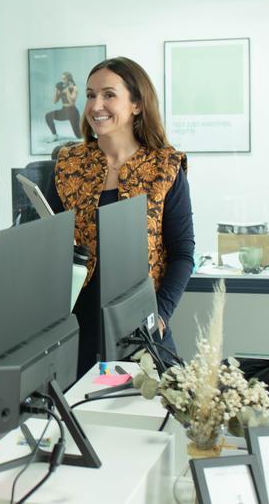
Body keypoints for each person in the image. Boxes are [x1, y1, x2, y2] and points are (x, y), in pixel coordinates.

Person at [43, 57, 194, 374]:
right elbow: (47, 240)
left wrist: (161, 315)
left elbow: (182, 253)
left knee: (145, 414)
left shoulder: (165, 167)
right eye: (90, 95)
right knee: (78, 416)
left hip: (140, 324)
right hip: (77, 323)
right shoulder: (68, 163)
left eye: (109, 94)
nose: (96, 105)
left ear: (137, 104)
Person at [45, 71, 83, 139]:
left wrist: (67, 91)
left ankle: (89, 133)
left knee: (79, 136)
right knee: (48, 116)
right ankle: (54, 135)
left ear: (69, 79)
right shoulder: (61, 88)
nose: (63, 80)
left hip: (72, 112)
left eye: (64, 79)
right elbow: (54, 101)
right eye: (62, 79)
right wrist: (57, 91)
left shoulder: (74, 88)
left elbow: (71, 103)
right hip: (64, 111)